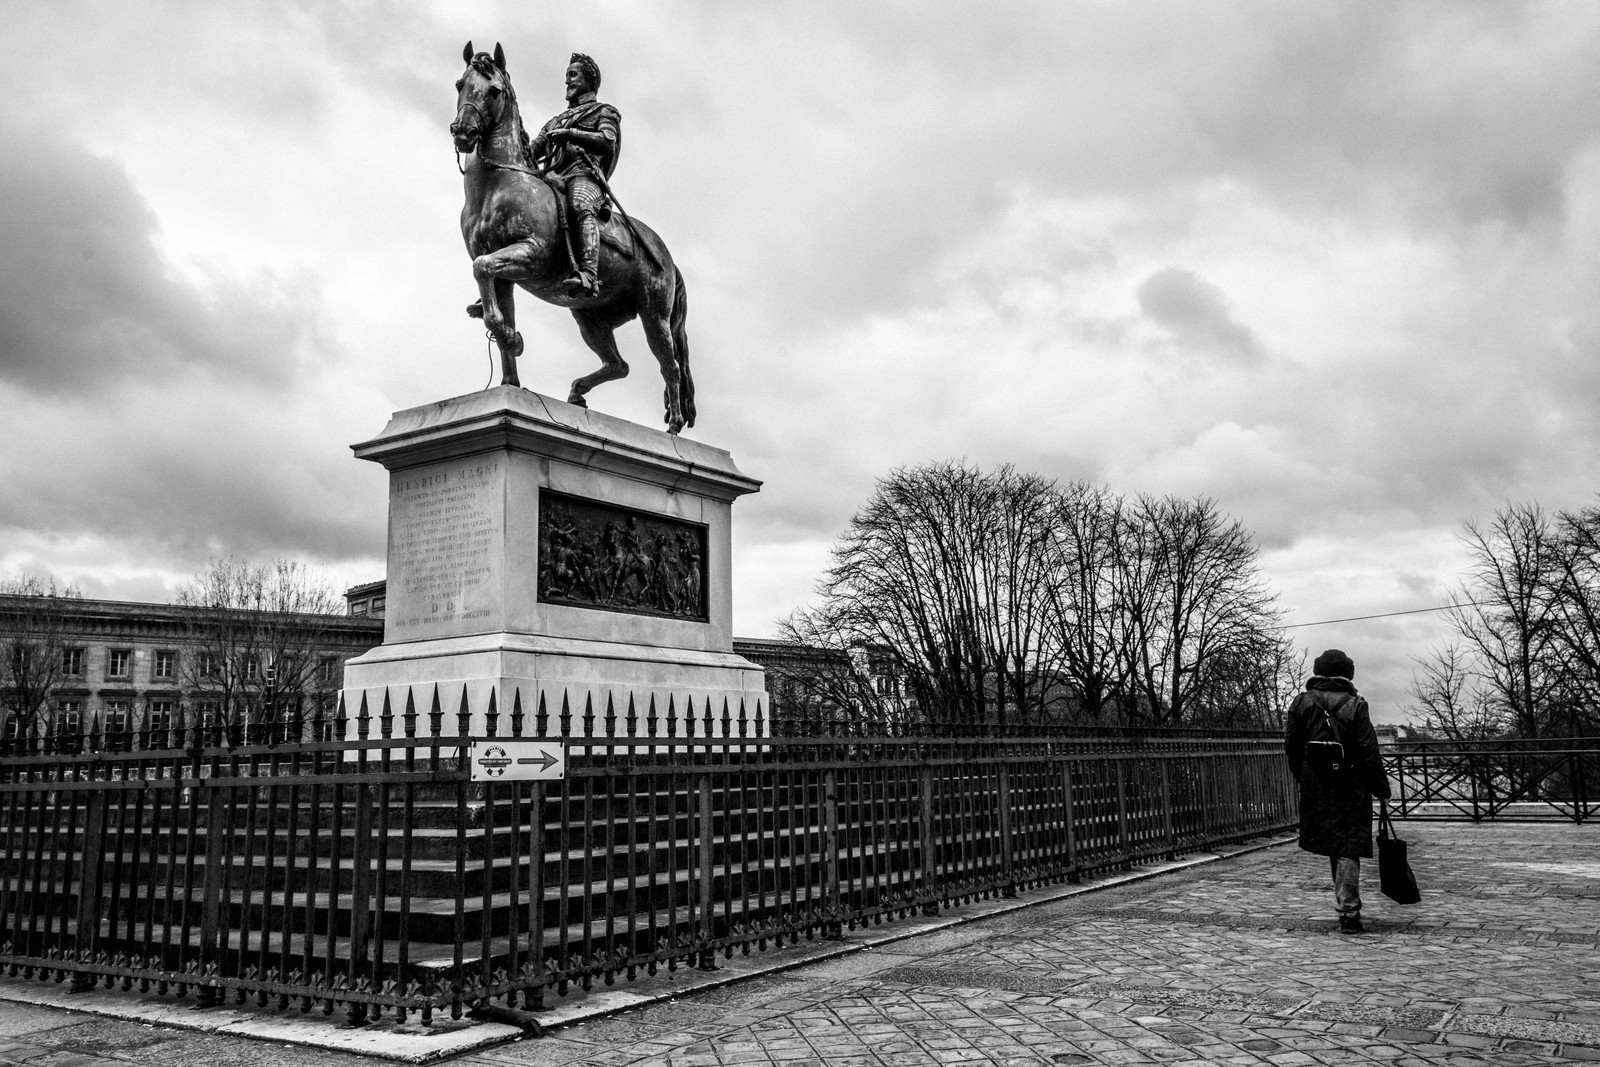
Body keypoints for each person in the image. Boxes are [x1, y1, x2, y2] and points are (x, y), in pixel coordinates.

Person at [1284, 648, 1392, 934]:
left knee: (1336, 845)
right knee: (1347, 845)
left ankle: (1345, 905)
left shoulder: (1302, 703)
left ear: (1319, 672)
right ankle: (1349, 912)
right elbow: (1369, 750)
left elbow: (1292, 748)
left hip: (1315, 784)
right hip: (1351, 783)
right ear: (1346, 674)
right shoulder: (1356, 704)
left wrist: (1303, 776)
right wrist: (1381, 787)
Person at [528, 52, 620, 296]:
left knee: (579, 204)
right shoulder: (554, 122)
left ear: (589, 80)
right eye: (567, 76)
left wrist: (571, 135)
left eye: (572, 75)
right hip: (552, 179)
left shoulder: (604, 111)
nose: (567, 81)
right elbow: (532, 152)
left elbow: (606, 141)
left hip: (583, 175)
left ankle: (589, 274)